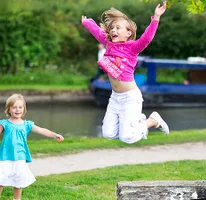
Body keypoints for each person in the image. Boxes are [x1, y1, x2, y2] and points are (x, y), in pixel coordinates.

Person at [82, 1, 169, 144]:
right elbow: (98, 33)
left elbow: (147, 39)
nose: (113, 30)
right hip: (115, 97)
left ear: (128, 33)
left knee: (127, 137)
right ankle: (137, 123)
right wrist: (87, 23)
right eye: (112, 28)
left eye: (118, 28)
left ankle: (152, 121)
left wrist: (156, 18)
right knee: (108, 134)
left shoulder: (133, 48)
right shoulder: (109, 44)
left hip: (130, 98)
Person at [0, 94, 64, 200]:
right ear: (9, 109)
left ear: (24, 109)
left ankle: (17, 199)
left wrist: (55, 135)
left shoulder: (27, 124)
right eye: (14, 107)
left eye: (20, 107)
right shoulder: (4, 123)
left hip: (20, 157)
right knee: (1, 180)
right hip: (5, 157)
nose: (17, 110)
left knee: (19, 181)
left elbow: (41, 130)